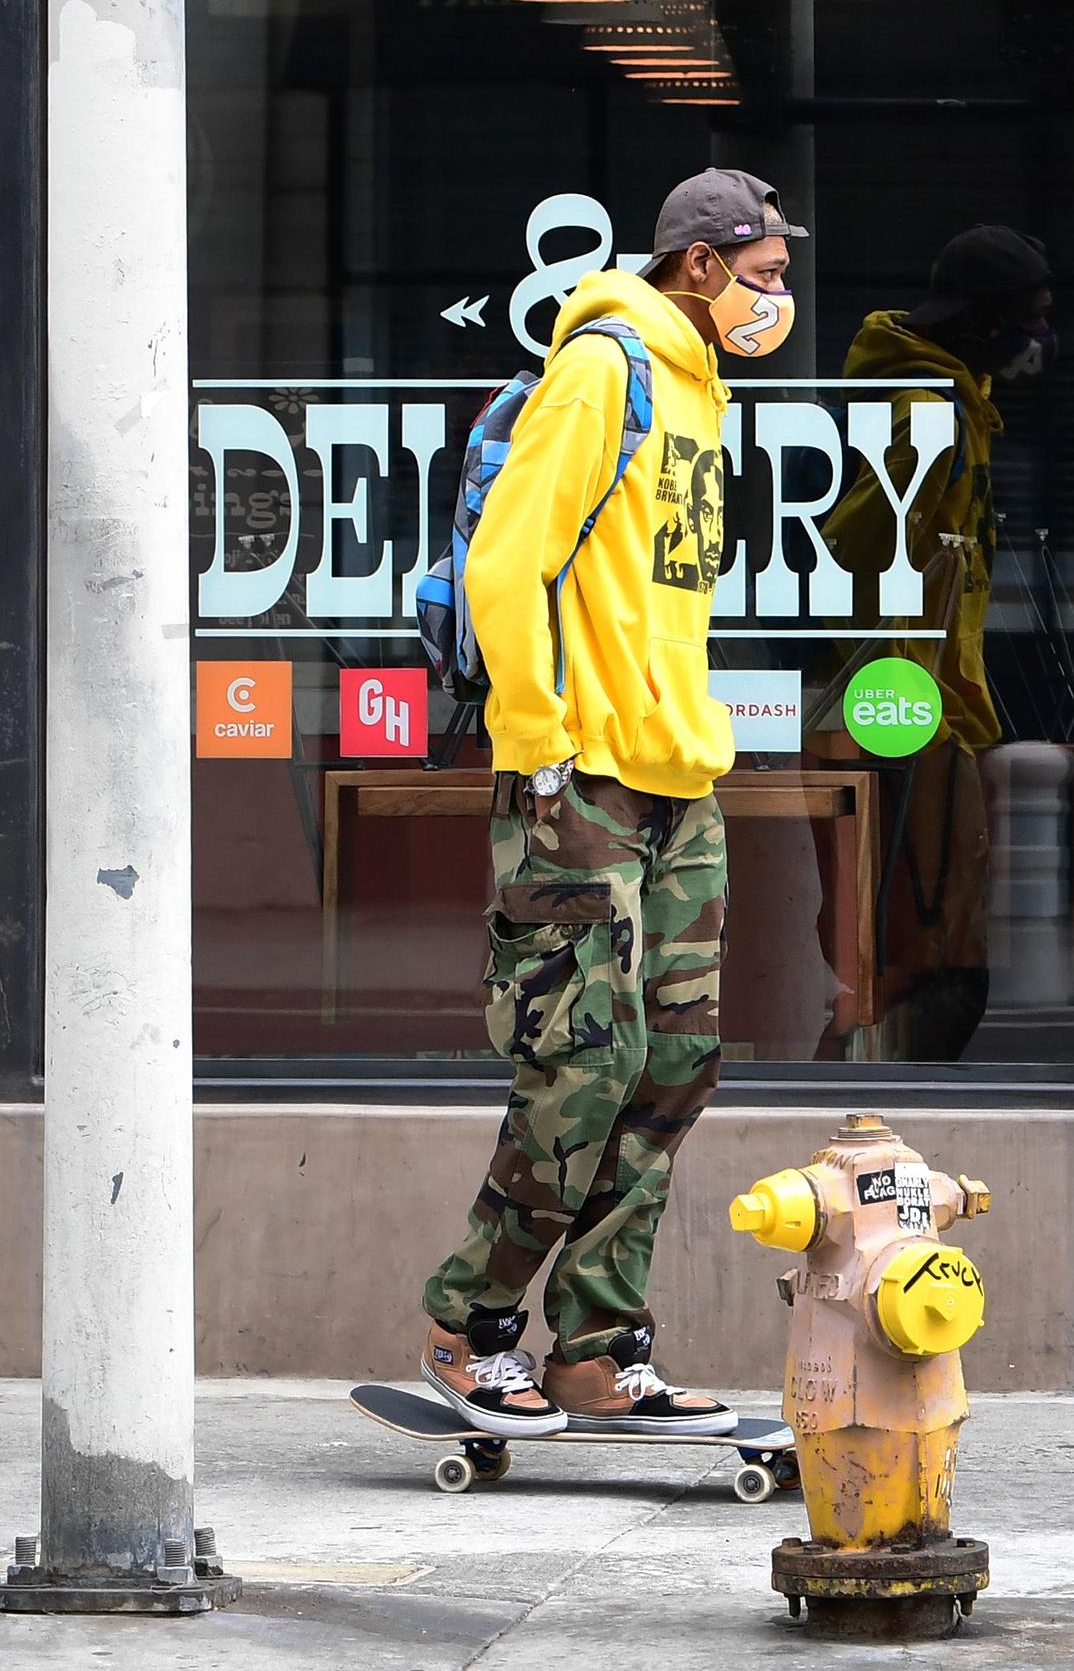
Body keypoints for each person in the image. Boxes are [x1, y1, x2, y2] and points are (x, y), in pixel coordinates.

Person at [418, 168, 809, 1438]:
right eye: (762, 274)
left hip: (675, 773)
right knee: (581, 1058)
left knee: (678, 1059)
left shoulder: (703, 386)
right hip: (576, 771)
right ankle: (471, 1322)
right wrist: (535, 741)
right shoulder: (607, 367)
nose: (778, 297)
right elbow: (505, 559)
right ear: (699, 266)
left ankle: (597, 1342)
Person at [821, 225, 1055, 1061]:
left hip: (935, 694)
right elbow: (864, 556)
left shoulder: (955, 400)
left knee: (940, 915)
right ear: (984, 322)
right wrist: (918, 699)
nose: (1041, 337)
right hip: (905, 700)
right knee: (927, 925)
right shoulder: (927, 412)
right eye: (1029, 316)